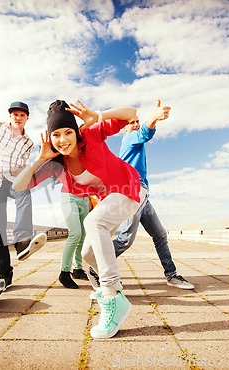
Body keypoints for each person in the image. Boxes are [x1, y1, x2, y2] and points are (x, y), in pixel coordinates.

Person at [13, 99, 167, 338]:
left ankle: (112, 296)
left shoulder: (91, 136)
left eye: (67, 132)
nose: (63, 140)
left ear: (75, 132)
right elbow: (18, 185)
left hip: (130, 187)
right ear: (49, 137)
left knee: (93, 223)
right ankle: (109, 284)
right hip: (111, 201)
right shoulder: (57, 165)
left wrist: (98, 115)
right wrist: (40, 159)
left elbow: (130, 113)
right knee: (87, 254)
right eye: (56, 135)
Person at [112, 100, 194, 290]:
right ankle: (97, 266)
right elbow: (144, 134)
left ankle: (171, 275)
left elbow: (144, 133)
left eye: (137, 121)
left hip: (143, 195)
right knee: (125, 240)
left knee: (160, 235)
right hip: (132, 193)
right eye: (131, 122)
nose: (135, 124)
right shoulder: (129, 139)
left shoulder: (135, 143)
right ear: (124, 128)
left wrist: (152, 120)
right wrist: (154, 118)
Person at [0, 101, 47, 289]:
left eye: (22, 115)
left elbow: (23, 165)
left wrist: (22, 170)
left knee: (24, 192)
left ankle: (22, 241)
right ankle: (4, 273)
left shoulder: (28, 142)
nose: (18, 118)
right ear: (10, 116)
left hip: (14, 180)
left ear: (27, 118)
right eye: (15, 114)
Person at [58, 192, 90, 289]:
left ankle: (78, 270)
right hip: (70, 196)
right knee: (75, 234)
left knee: (82, 235)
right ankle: (64, 272)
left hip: (85, 198)